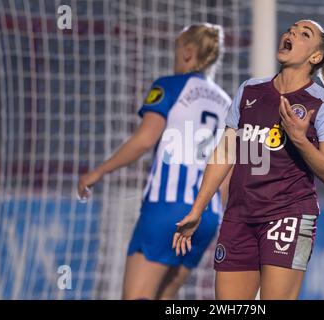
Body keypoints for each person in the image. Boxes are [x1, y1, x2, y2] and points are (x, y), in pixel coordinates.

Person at [173, 19, 324, 300]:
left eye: (305, 34)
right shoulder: (249, 91)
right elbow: (225, 153)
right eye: (291, 29)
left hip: (287, 216)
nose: (292, 33)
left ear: (315, 56)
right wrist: (197, 209)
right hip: (239, 217)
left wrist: (300, 138)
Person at [77, 23, 232, 299]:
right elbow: (227, 171)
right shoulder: (227, 103)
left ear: (187, 53)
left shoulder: (169, 86)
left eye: (175, 51)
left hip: (168, 208)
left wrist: (98, 171)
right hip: (208, 215)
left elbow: (144, 140)